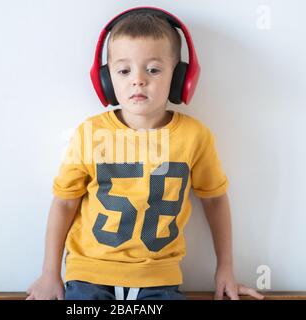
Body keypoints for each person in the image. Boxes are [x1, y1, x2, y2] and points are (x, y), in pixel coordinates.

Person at [26, 6, 264, 300]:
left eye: (152, 69)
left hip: (160, 280)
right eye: (124, 70)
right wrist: (50, 273)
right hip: (88, 277)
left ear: (180, 78)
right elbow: (64, 203)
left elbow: (214, 198)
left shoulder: (195, 137)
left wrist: (225, 268)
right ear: (105, 79)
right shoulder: (89, 133)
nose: (137, 80)